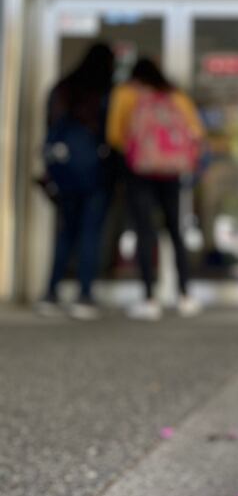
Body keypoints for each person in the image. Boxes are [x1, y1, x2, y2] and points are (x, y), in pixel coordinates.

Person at [107, 58, 205, 320]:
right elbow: (195, 130)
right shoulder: (175, 96)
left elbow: (115, 135)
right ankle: (184, 295)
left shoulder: (125, 94)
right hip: (172, 171)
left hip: (139, 170)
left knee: (145, 231)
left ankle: (149, 298)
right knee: (175, 229)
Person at [38, 43, 115, 320]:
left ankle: (50, 292)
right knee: (90, 234)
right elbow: (112, 134)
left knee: (66, 233)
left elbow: (51, 129)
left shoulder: (62, 89)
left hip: (66, 172)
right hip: (95, 173)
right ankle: (84, 294)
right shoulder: (105, 92)